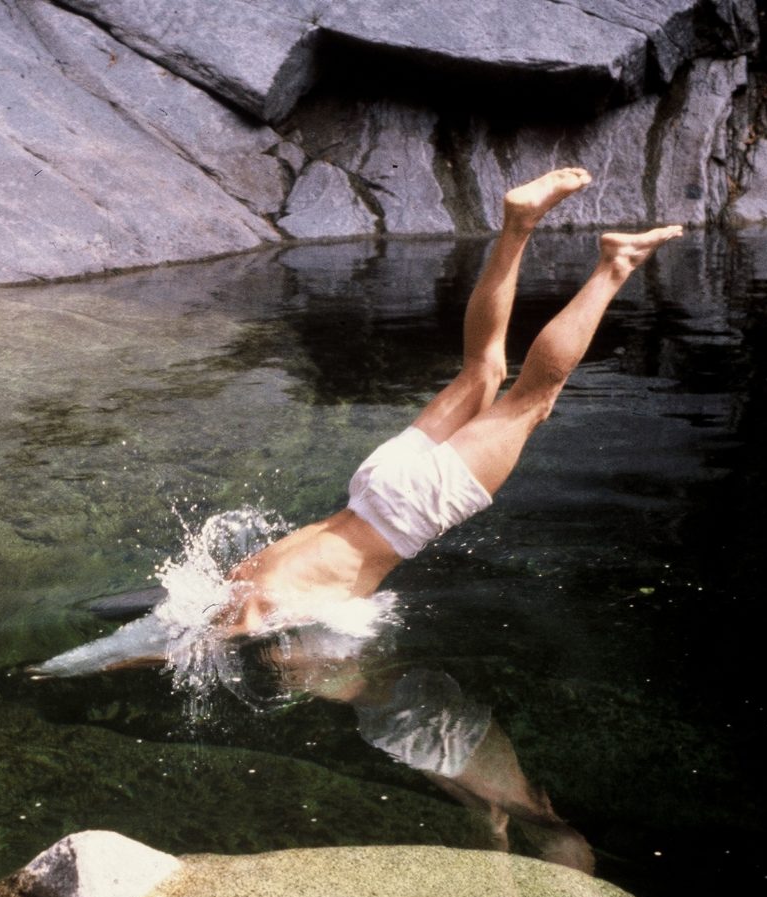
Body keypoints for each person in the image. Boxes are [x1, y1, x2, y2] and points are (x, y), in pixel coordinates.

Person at [221, 168, 681, 636]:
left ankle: (615, 265)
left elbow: (212, 642)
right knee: (483, 369)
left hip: (406, 510)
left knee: (532, 401)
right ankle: (518, 224)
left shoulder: (252, 603)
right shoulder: (239, 575)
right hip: (369, 491)